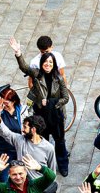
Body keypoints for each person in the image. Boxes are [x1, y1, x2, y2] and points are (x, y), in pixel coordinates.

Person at [11, 39, 71, 176]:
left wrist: (52, 103)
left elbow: (65, 98)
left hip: (55, 114)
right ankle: (42, 165)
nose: (48, 64)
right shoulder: (37, 76)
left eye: (50, 62)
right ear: (41, 64)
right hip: (40, 116)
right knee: (41, 141)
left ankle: (63, 165)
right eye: (46, 62)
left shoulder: (59, 78)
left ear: (54, 64)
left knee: (60, 141)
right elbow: (24, 67)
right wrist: (18, 53)